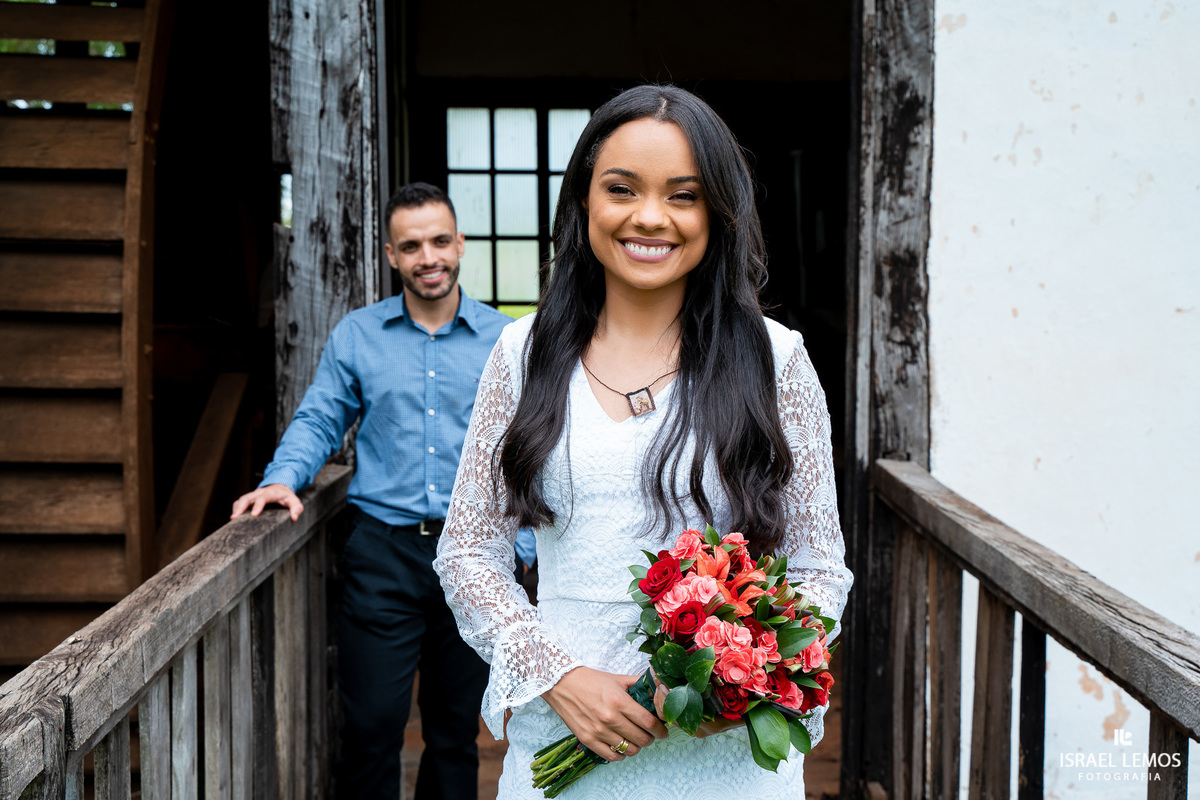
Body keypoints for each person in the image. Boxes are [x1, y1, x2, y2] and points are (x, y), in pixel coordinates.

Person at [433, 85, 854, 799]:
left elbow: (818, 568)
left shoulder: (775, 360)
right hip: (563, 741)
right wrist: (556, 675)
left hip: (725, 760)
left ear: (718, 212)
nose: (649, 217)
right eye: (621, 189)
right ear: (584, 202)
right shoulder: (521, 353)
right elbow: (469, 550)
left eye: (682, 195)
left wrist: (735, 680)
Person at [231, 182, 519, 799]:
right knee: (370, 728)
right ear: (392, 255)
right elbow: (319, 418)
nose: (429, 257)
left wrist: (523, 542)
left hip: (471, 558)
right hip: (382, 552)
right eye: (412, 246)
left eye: (440, 241)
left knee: (452, 734)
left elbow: (526, 448)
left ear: (459, 244)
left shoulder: (506, 341)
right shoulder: (359, 336)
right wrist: (281, 478)